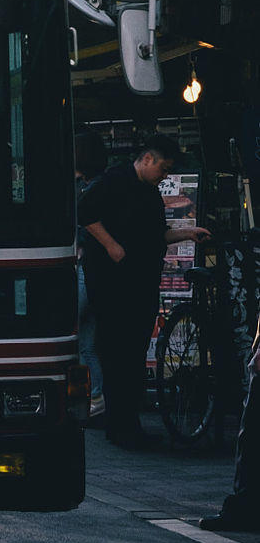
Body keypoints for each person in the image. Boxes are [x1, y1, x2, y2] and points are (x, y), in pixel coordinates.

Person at [79, 135, 210, 450]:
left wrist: (187, 233)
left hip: (141, 284)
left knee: (133, 355)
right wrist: (111, 245)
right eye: (163, 168)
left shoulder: (150, 193)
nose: (164, 175)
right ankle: (121, 427)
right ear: (148, 159)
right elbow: (84, 213)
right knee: (117, 355)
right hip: (114, 286)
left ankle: (126, 425)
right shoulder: (113, 181)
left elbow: (157, 234)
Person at [75, 129, 108, 419]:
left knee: (81, 340)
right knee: (87, 342)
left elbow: (83, 228)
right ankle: (97, 395)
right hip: (96, 273)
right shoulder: (102, 184)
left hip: (84, 271)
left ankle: (97, 394)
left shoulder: (89, 190)